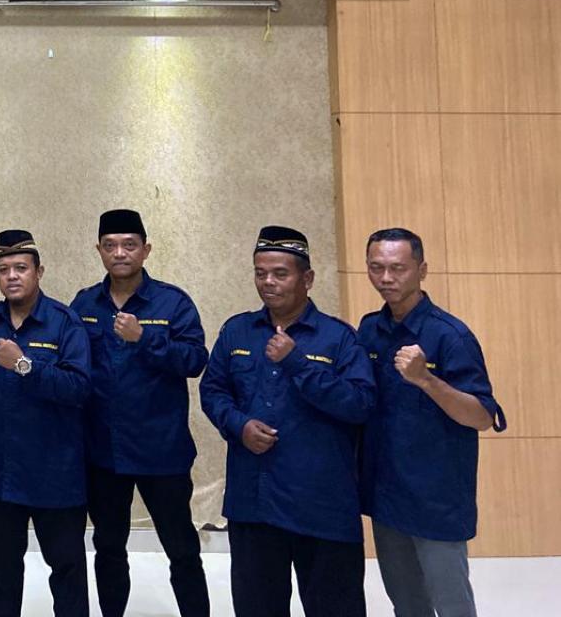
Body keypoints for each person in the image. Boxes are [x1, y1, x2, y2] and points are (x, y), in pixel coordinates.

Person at [199, 225, 375, 617]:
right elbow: (213, 391)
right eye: (260, 273)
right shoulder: (237, 331)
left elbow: (360, 405)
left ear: (307, 279)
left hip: (322, 507)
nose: (268, 282)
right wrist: (239, 426)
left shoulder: (339, 338)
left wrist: (298, 362)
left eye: (280, 273)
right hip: (255, 504)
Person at [357, 228, 506, 617]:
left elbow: (481, 416)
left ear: (422, 270)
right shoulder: (369, 329)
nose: (386, 278)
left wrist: (426, 379)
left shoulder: (450, 335)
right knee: (406, 603)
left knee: (452, 605)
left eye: (397, 268)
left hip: (436, 498)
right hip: (386, 493)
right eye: (376, 267)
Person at [69, 209, 209, 617]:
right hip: (103, 452)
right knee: (109, 547)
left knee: (182, 548)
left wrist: (145, 337)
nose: (120, 253)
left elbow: (195, 360)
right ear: (98, 250)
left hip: (161, 450)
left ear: (146, 250)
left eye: (129, 245)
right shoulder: (84, 304)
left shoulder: (173, 302)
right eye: (110, 245)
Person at [0, 228, 92, 617]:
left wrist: (23, 365)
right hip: (0, 470)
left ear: (39, 271)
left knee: (67, 570)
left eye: (21, 268)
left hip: (55, 470)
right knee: (1, 570)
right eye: (3, 269)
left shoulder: (65, 323)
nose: (12, 276)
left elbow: (79, 389)